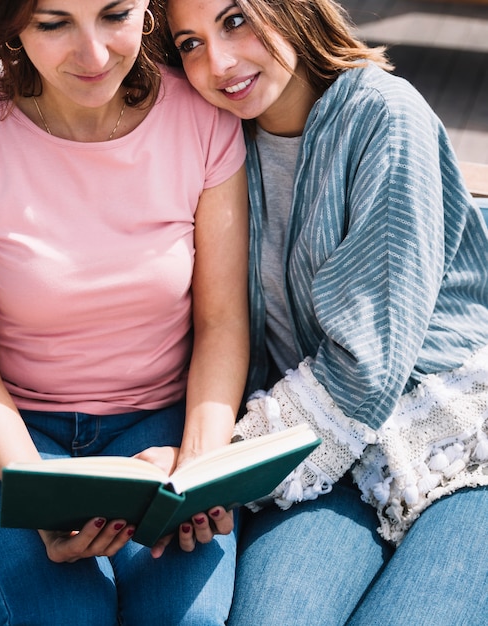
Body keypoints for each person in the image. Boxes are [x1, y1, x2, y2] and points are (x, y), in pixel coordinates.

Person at [0, 0, 250, 623]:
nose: (94, 54)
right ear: (10, 25)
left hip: (159, 425)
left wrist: (197, 467)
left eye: (115, 15)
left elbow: (221, 324)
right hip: (4, 428)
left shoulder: (202, 121)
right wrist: (41, 497)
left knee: (184, 619)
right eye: (54, 23)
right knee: (64, 615)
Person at [152, 0, 488, 623]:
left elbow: (366, 368)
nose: (218, 62)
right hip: (326, 457)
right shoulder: (214, 142)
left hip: (454, 436)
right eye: (190, 43)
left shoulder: (384, 116)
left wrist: (217, 465)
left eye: (235, 20)